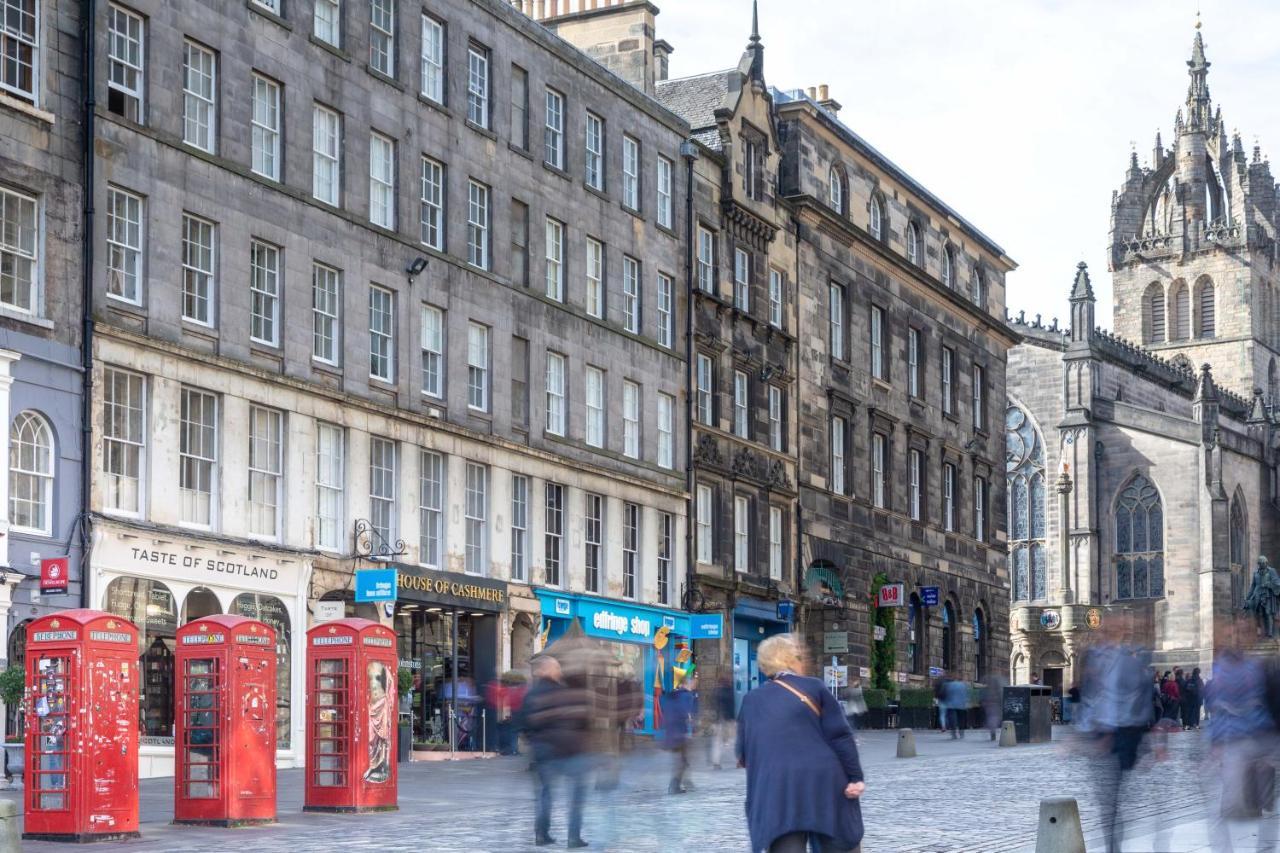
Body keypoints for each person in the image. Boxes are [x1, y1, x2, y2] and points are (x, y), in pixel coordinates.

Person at [737, 634, 865, 853]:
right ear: (790, 660)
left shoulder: (751, 700)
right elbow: (840, 736)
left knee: (786, 845)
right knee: (837, 843)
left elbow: (743, 756)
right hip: (823, 785)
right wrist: (856, 778)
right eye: (799, 656)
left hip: (778, 792)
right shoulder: (814, 688)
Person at [517, 655, 590, 849]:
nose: (560, 672)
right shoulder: (564, 693)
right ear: (549, 670)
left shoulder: (531, 695)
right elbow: (580, 720)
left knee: (545, 793)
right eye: (557, 668)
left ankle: (542, 834)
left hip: (542, 750)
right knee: (577, 791)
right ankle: (573, 837)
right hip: (567, 750)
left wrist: (533, 741)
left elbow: (522, 723)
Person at [662, 673, 699, 794]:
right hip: (680, 733)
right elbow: (686, 713)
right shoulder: (687, 696)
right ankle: (674, 786)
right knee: (682, 761)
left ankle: (683, 783)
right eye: (691, 682)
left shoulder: (673, 695)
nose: (693, 684)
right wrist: (691, 727)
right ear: (685, 683)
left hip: (670, 733)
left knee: (681, 760)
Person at [710, 674, 737, 770]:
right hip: (728, 719)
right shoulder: (729, 691)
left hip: (718, 720)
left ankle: (716, 762)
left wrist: (714, 721)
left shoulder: (715, 692)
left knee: (717, 742)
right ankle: (738, 760)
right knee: (732, 740)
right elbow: (731, 706)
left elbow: (713, 707)